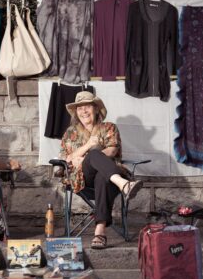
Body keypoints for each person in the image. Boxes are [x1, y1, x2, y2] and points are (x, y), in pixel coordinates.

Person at [60, 91, 143, 249]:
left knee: (102, 176)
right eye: (79, 108)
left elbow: (112, 151)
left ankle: (100, 231)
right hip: (83, 179)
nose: (83, 111)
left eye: (87, 107)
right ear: (76, 112)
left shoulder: (109, 127)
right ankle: (124, 184)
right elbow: (66, 159)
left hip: (108, 178)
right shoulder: (70, 133)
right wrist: (89, 147)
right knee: (94, 155)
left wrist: (85, 157)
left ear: (96, 109)